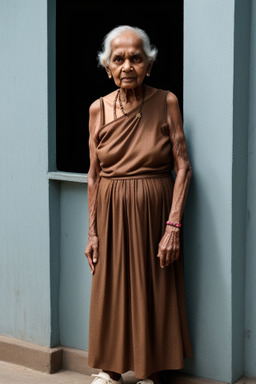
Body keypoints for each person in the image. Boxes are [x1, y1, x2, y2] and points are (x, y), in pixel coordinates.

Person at [85, 25, 193, 384]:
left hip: (154, 214)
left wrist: (173, 226)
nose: (128, 65)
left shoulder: (166, 101)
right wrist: (93, 232)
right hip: (112, 213)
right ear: (107, 67)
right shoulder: (97, 109)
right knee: (111, 290)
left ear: (149, 64)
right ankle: (111, 369)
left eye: (136, 58)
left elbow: (183, 166)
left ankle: (152, 369)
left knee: (155, 288)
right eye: (119, 59)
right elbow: (93, 175)